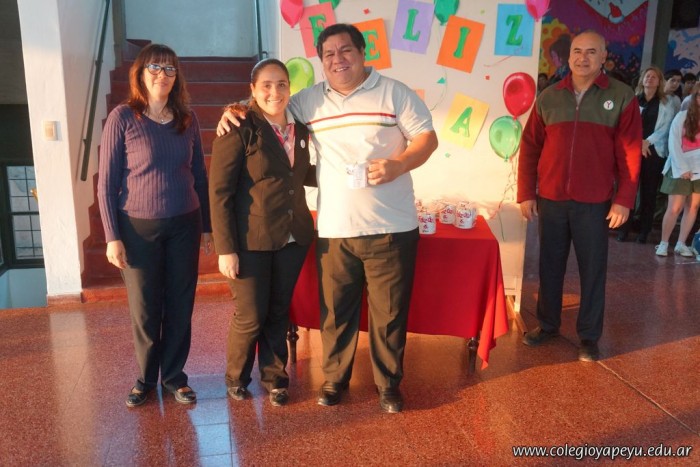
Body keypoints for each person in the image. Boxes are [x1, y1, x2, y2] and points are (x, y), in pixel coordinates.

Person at [218, 23, 438, 413]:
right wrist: (233, 109)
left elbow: (427, 138)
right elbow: (268, 104)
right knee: (336, 313)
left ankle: (388, 385)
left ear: (363, 52)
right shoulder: (309, 101)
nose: (338, 60)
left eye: (346, 50)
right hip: (334, 229)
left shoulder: (394, 92)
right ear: (321, 61)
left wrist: (399, 164)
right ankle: (335, 379)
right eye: (329, 54)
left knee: (389, 314)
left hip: (392, 226)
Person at [98, 44, 212, 407]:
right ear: (140, 74)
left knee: (180, 304)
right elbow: (106, 183)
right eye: (155, 68)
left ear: (177, 77)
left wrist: (207, 227)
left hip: (185, 224)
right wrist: (112, 236)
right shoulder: (123, 117)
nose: (162, 75)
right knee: (146, 309)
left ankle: (175, 377)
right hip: (137, 229)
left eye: (169, 69)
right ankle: (146, 378)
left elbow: (199, 175)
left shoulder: (187, 118)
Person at [517, 30, 642, 362]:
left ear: (603, 57)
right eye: (576, 51)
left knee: (592, 270)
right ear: (568, 56)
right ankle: (547, 325)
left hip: (595, 201)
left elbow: (630, 154)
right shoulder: (549, 97)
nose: (582, 58)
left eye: (591, 52)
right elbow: (529, 148)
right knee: (549, 266)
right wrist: (526, 192)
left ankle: (588, 336)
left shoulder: (622, 96)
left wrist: (624, 199)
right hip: (552, 198)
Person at [208, 59, 315, 407]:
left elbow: (299, 174)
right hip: (249, 239)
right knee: (251, 313)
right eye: (266, 85)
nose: (275, 92)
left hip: (292, 236)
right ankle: (236, 377)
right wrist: (225, 248)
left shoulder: (300, 128)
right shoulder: (238, 127)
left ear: (289, 88)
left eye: (281, 84)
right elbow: (219, 192)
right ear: (253, 90)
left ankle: (275, 378)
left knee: (279, 310)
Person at [616, 66, 674, 244]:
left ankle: (644, 231)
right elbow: (625, 123)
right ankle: (624, 229)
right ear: (642, 79)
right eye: (647, 76)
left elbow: (666, 128)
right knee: (629, 191)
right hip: (633, 150)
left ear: (659, 82)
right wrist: (638, 142)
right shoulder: (633, 100)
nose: (650, 79)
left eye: (654, 77)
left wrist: (647, 141)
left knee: (649, 193)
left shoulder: (666, 103)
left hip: (653, 152)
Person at [655, 83, 700, 257]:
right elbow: (673, 143)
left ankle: (681, 243)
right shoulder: (683, 116)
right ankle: (663, 243)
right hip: (679, 167)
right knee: (675, 207)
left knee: (693, 206)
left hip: (698, 168)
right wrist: (682, 168)